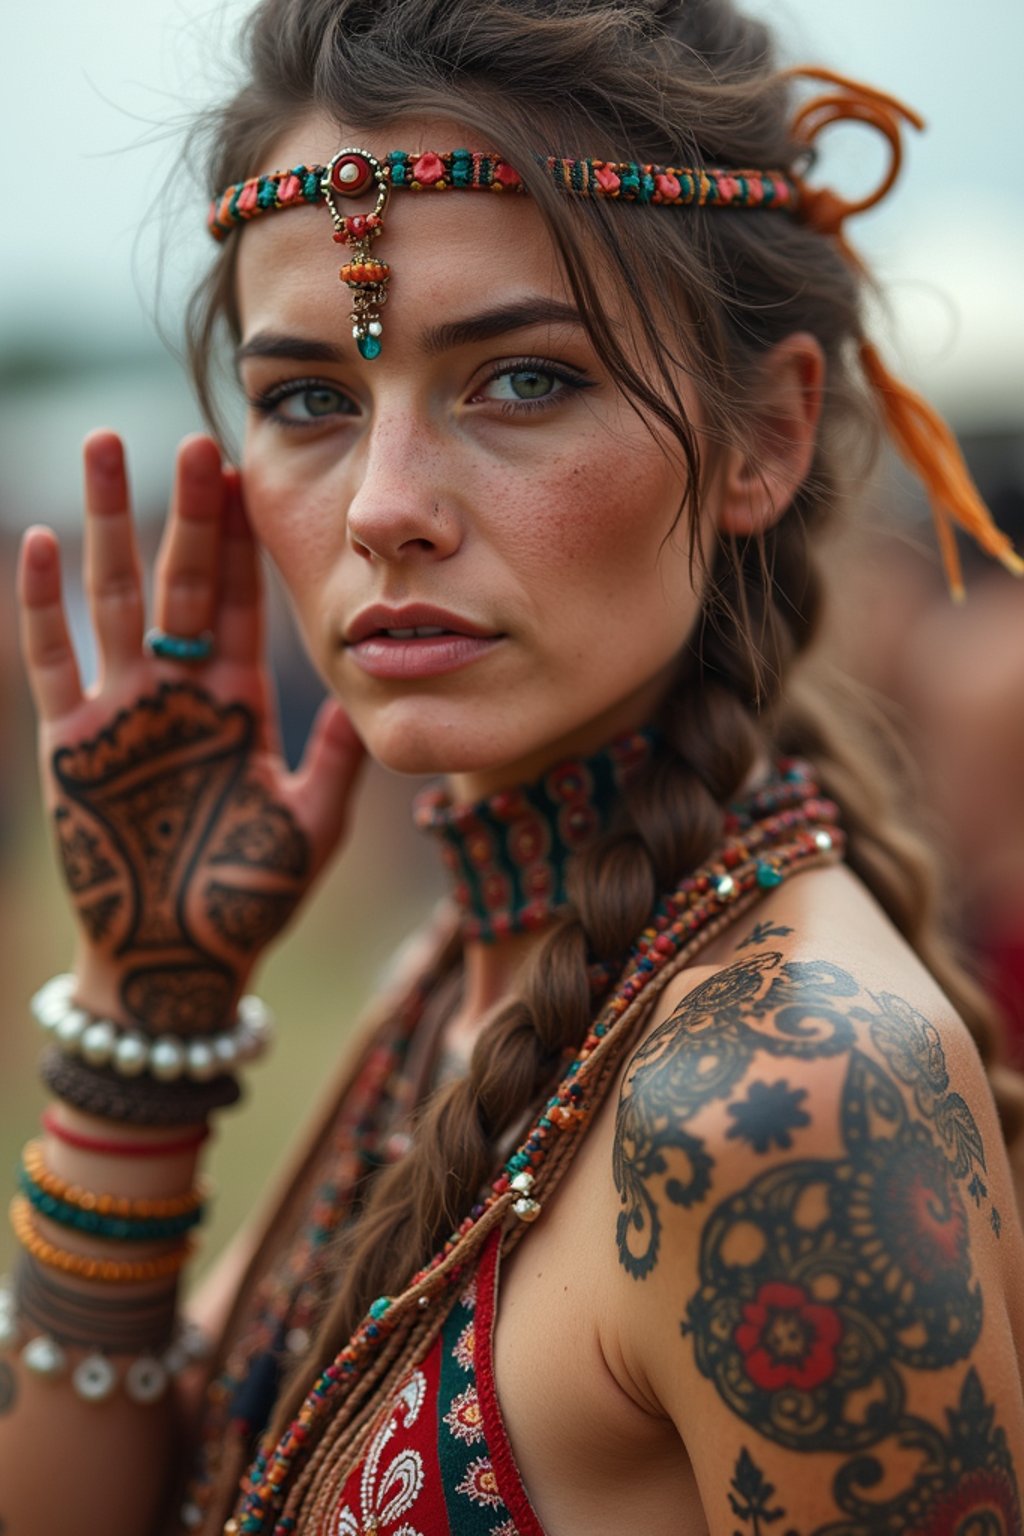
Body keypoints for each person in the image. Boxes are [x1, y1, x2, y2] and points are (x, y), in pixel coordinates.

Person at [4, 1, 1024, 1532]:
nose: (383, 506)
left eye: (524, 381)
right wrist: (146, 1027)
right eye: (309, 402)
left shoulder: (787, 1102)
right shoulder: (476, 977)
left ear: (765, 435)